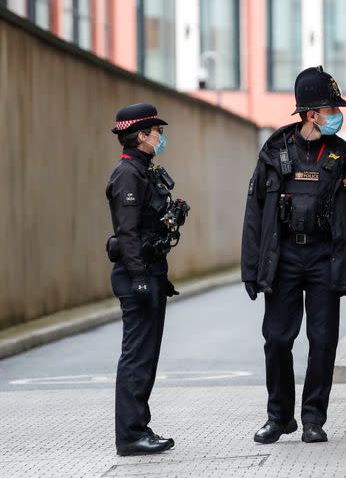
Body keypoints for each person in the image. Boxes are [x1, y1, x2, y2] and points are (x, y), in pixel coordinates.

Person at [241, 66, 346, 445]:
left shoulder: (343, 155)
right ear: (311, 113)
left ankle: (313, 417)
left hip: (325, 256)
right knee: (277, 339)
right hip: (284, 257)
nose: (337, 115)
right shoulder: (275, 150)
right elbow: (254, 212)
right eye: (332, 109)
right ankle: (279, 417)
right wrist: (251, 268)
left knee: (323, 339)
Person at [106, 103, 189, 456]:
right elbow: (126, 234)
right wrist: (139, 277)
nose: (161, 137)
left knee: (146, 357)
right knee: (137, 358)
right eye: (157, 132)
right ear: (141, 135)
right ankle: (130, 436)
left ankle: (139, 427)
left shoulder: (145, 171)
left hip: (152, 272)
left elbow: (146, 223)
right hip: (137, 276)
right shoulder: (128, 175)